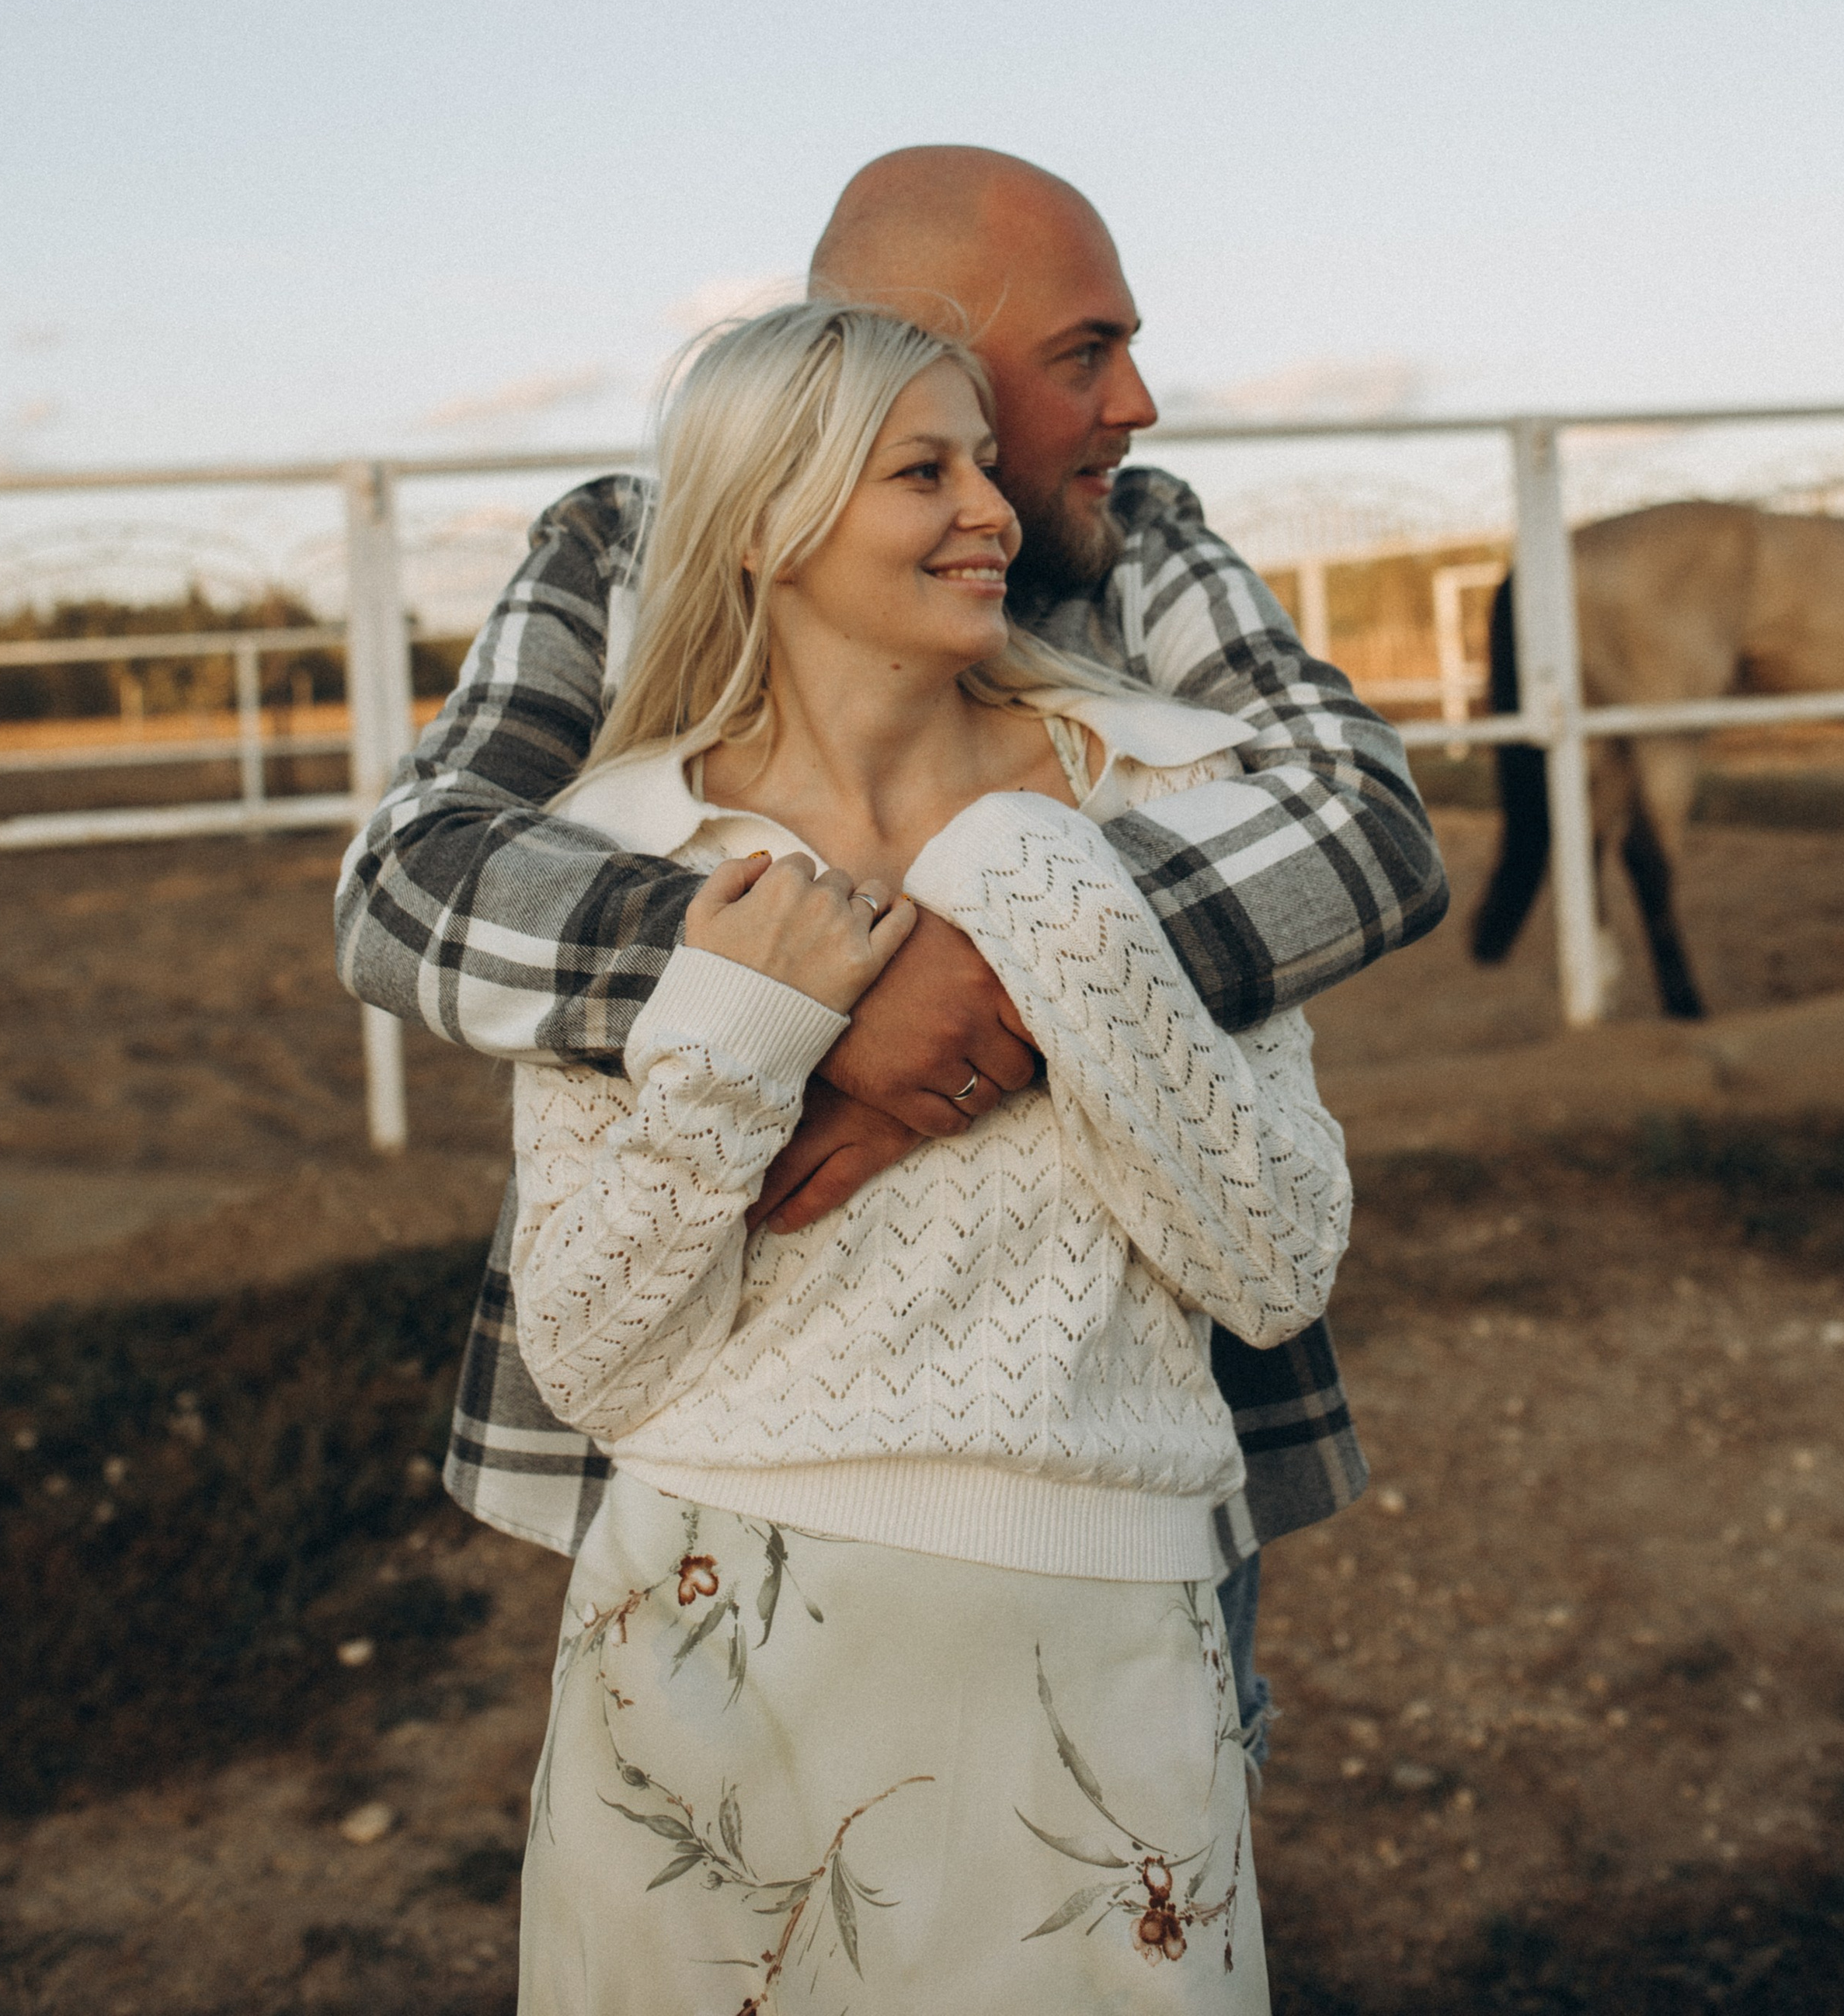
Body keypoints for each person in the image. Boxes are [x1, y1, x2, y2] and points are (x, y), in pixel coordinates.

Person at [335, 148, 1447, 1765]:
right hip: (720, 1441)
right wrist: (783, 978)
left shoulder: (1135, 537)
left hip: (1122, 1461)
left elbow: (1359, 819)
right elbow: (411, 883)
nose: (1132, 403)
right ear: (896, 347)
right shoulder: (621, 548)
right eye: (1083, 351)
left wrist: (987, 972)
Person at [507, 297, 1354, 2011]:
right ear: (767, 524)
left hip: (1099, 1651)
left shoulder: (1169, 790)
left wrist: (1036, 890)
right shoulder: (628, 843)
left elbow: (1272, 1267)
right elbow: (596, 1358)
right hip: (704, 1640)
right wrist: (741, 1045)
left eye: (982, 458)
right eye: (923, 471)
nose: (990, 511)